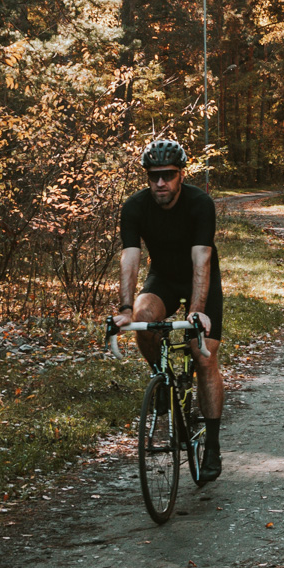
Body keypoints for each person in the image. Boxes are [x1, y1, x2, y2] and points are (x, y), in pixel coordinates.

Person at [110, 137, 227, 482]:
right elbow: (130, 258)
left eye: (168, 175)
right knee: (144, 320)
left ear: (181, 175)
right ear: (147, 176)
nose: (160, 182)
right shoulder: (134, 207)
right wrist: (126, 308)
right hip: (162, 278)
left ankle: (214, 446)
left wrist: (196, 310)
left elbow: (201, 259)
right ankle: (163, 383)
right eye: (153, 176)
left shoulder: (199, 203)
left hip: (199, 281)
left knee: (203, 355)